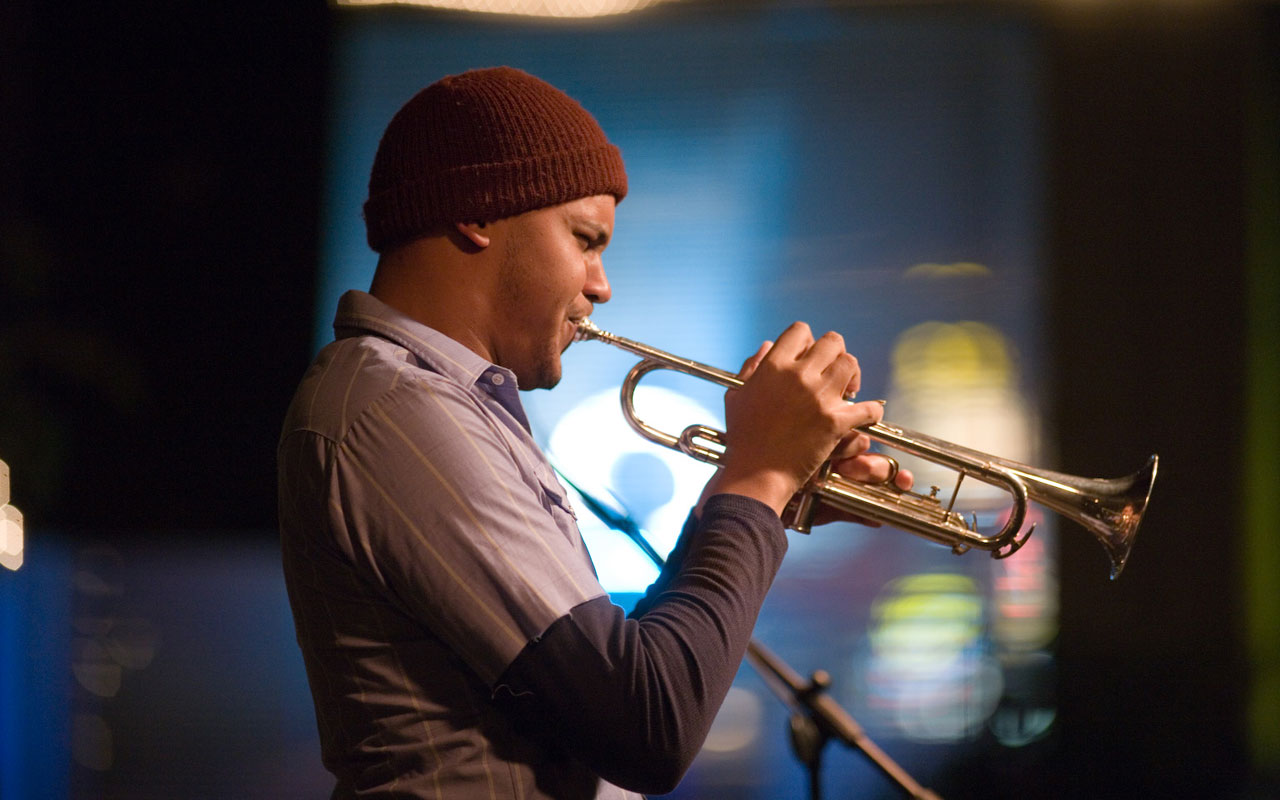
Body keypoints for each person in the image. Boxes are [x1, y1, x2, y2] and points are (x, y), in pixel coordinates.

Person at [278, 66, 910, 800]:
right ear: (479, 212)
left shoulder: (441, 404)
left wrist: (761, 498)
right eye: (585, 239)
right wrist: (758, 481)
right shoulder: (395, 409)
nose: (600, 283)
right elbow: (647, 725)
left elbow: (617, 673)